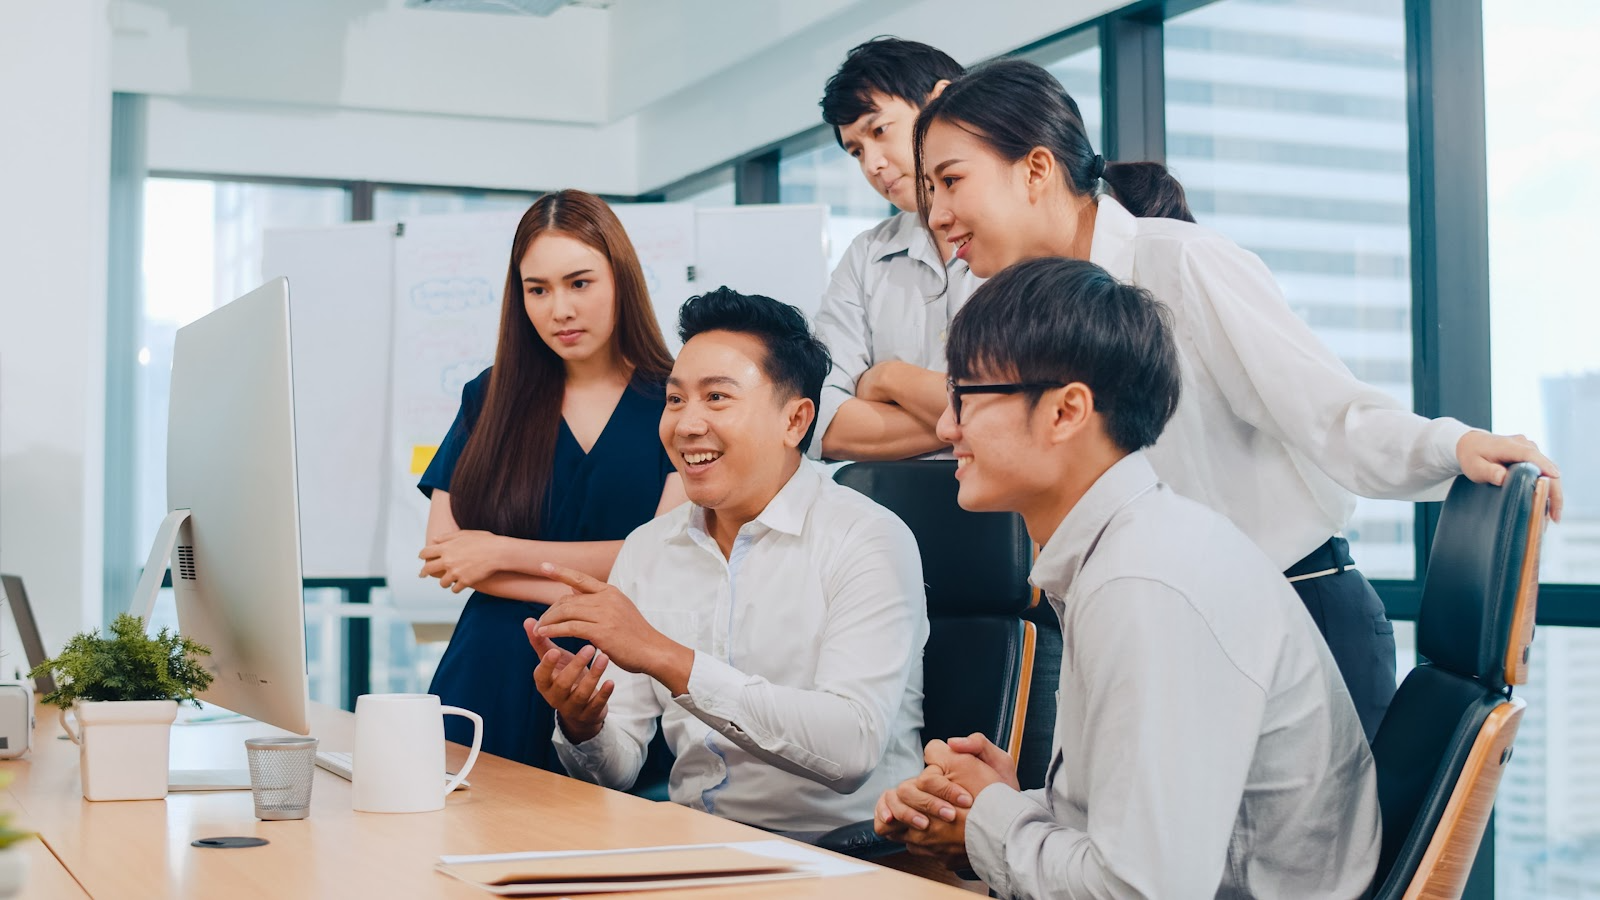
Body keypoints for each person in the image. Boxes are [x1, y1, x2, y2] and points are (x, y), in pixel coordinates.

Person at [913, 58, 1563, 740]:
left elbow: (1329, 413)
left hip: (1294, 618)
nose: (938, 214)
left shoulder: (1180, 265)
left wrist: (1452, 446)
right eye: (929, 189)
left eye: (951, 180)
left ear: (1036, 169)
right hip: (1161, 639)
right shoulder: (1015, 317)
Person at [877, 257, 1380, 898]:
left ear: (1065, 412)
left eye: (964, 397)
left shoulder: (1146, 584)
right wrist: (1009, 806)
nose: (946, 428)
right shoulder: (1132, 550)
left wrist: (992, 821)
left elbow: (1139, 890)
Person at [525, 287, 928, 835]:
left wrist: (665, 656)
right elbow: (617, 768)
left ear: (795, 421)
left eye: (716, 398)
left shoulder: (869, 539)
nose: (687, 424)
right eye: (675, 400)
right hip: (695, 846)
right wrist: (583, 723)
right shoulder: (649, 548)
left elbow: (851, 749)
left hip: (844, 856)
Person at [415, 189, 685, 770]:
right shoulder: (490, 395)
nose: (559, 309)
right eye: (537, 289)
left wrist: (498, 554)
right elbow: (446, 553)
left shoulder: (676, 398)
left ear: (621, 280)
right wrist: (591, 595)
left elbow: (662, 561)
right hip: (487, 673)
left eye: (579, 283)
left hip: (617, 680)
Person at [811, 37, 977, 461]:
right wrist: (976, 421)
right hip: (895, 517)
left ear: (943, 103)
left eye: (880, 130)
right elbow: (820, 424)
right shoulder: (865, 257)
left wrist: (887, 379)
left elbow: (1037, 409)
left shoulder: (1022, 238)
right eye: (857, 151)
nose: (872, 164)